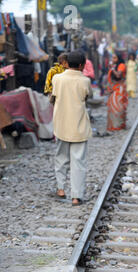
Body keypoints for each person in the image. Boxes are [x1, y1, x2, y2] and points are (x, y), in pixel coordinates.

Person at [52, 51, 93, 206]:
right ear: (82, 65)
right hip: (79, 126)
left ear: (67, 63)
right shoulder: (85, 81)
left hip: (61, 124)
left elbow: (54, 96)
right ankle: (76, 196)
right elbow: (88, 96)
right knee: (78, 161)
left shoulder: (57, 79)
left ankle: (61, 189)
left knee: (61, 158)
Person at [107, 53, 128, 131]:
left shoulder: (121, 65)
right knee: (113, 107)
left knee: (118, 107)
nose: (113, 60)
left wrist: (112, 69)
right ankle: (114, 125)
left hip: (119, 89)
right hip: (114, 89)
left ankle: (119, 125)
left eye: (114, 58)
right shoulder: (115, 66)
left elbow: (118, 75)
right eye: (112, 58)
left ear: (118, 58)